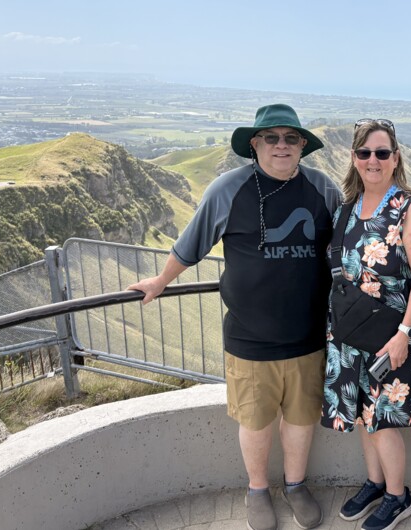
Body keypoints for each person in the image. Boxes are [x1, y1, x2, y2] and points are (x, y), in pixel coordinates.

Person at [128, 104, 341, 530]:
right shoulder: (229, 188)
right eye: (271, 137)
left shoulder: (322, 188)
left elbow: (346, 246)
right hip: (250, 337)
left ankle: (296, 485)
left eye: (291, 138)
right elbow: (192, 243)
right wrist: (161, 281)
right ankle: (257, 489)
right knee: (256, 420)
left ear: (302, 145)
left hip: (310, 335)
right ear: (254, 144)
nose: (281, 145)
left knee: (301, 419)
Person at [321, 119, 411, 530]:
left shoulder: (410, 208)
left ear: (395, 158)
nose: (373, 160)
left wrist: (404, 334)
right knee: (361, 414)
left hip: (391, 336)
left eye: (382, 153)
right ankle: (375, 483)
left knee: (383, 418)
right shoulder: (347, 209)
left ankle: (397, 496)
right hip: (350, 335)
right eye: (365, 153)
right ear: (354, 158)